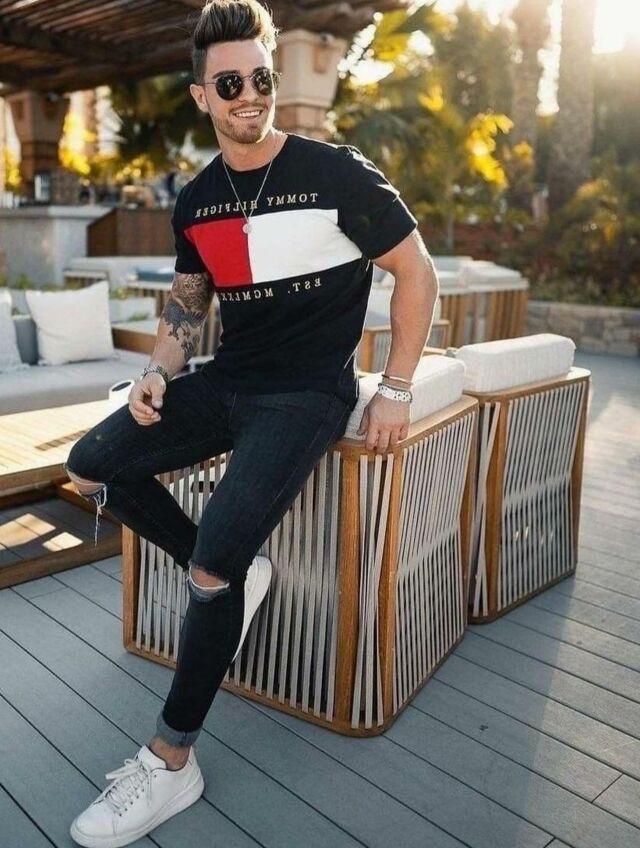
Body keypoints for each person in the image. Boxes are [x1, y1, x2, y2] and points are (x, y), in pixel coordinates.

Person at [64, 1, 439, 845]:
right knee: (92, 465)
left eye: (260, 78)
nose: (250, 95)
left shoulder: (336, 173)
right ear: (201, 96)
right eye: (229, 83)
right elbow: (188, 305)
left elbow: (416, 273)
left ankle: (171, 761)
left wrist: (396, 387)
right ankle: (233, 570)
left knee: (210, 572)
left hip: (306, 395)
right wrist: (157, 372)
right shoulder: (198, 200)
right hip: (229, 381)